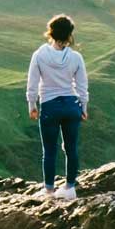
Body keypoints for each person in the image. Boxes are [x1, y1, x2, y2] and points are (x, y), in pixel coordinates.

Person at [27, 14, 89, 200]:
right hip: (71, 105)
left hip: (49, 105)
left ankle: (48, 190)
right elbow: (82, 85)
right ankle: (70, 188)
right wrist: (84, 106)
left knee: (50, 149)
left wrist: (32, 104)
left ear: (50, 32)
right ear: (70, 34)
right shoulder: (76, 57)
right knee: (71, 148)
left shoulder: (39, 55)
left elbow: (32, 84)